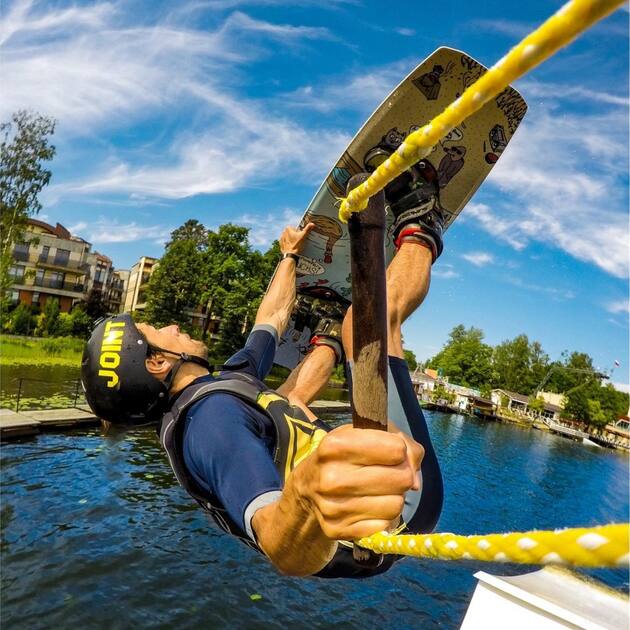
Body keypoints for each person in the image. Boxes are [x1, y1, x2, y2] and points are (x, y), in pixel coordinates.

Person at [81, 161, 444, 578]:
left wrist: (289, 256)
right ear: (158, 362)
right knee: (362, 326)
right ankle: (422, 226)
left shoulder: (225, 382)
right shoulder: (211, 423)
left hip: (365, 502)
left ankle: (327, 336)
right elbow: (275, 541)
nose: (173, 327)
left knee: (286, 401)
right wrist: (308, 494)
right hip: (395, 516)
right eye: (157, 330)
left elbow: (269, 319)